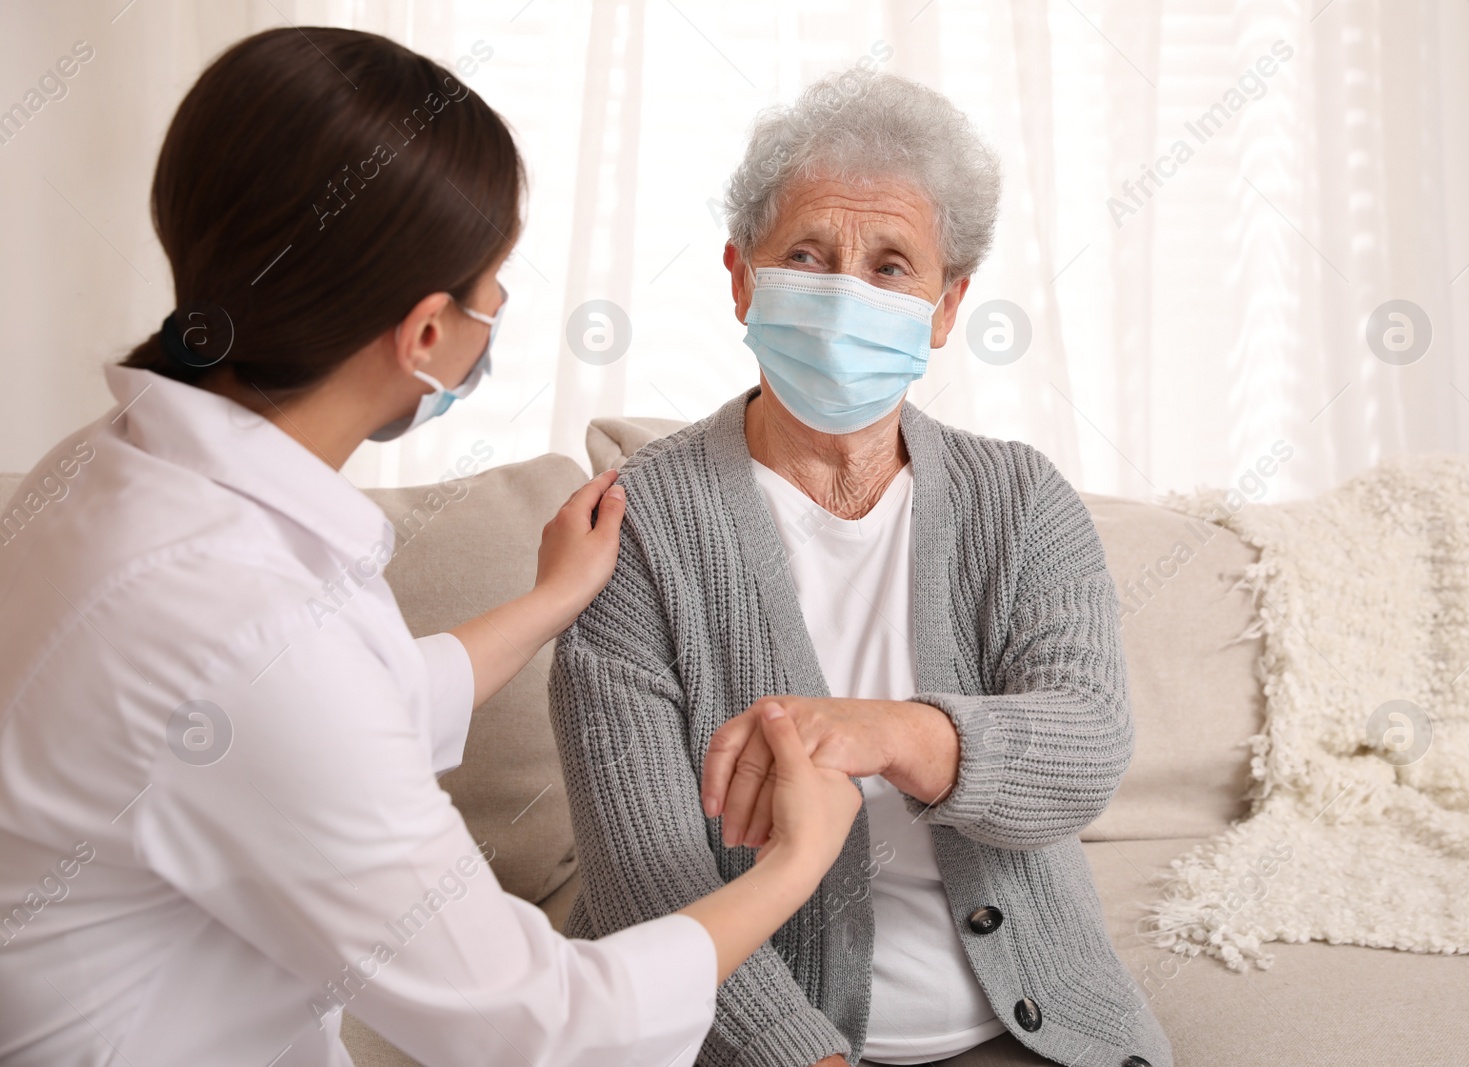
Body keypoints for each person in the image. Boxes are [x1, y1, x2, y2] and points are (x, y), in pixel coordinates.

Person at [0, 28, 861, 1067]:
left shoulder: (105, 474)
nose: (497, 310)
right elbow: (533, 1021)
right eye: (491, 282)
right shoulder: (234, 622)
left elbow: (326, 716)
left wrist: (546, 602)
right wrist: (795, 861)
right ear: (424, 337)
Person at [549, 71, 1172, 1067]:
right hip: (738, 1038)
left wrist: (883, 730)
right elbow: (644, 872)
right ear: (741, 275)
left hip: (1026, 1026)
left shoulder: (1020, 499)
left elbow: (1085, 747)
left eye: (891, 265)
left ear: (945, 305)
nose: (846, 293)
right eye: (807, 254)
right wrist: (804, 1053)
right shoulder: (635, 522)